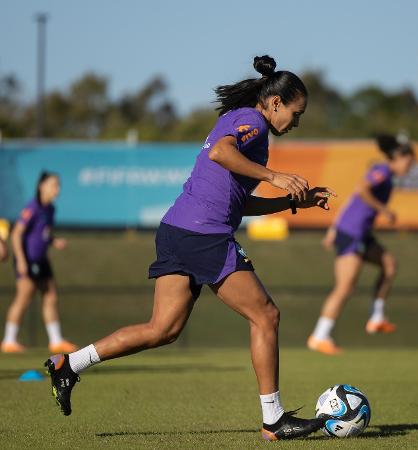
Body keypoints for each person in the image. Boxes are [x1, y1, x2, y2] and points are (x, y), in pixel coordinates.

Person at [44, 55, 335, 441]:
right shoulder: (252, 122)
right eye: (296, 114)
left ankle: (70, 364)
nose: (295, 123)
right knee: (266, 316)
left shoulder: (247, 128)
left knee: (162, 329)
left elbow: (240, 202)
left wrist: (294, 201)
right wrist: (275, 176)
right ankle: (274, 419)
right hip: (204, 235)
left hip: (177, 230)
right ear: (276, 103)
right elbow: (220, 153)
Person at [307, 134, 415, 355]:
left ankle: (376, 317)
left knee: (389, 265)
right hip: (352, 232)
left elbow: (351, 200)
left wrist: (333, 227)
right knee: (345, 286)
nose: (410, 167)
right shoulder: (383, 170)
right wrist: (383, 210)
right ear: (398, 158)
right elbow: (361, 189)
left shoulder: (389, 175)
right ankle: (319, 336)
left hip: (359, 232)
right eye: (409, 162)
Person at [1, 171, 77, 354]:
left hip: (42, 259)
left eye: (58, 185)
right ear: (41, 186)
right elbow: (17, 234)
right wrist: (20, 260)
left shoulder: (50, 209)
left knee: (50, 296)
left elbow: (41, 233)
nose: (56, 189)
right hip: (28, 260)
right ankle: (9, 340)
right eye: (53, 184)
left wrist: (53, 241)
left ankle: (56, 341)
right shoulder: (32, 207)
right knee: (24, 297)